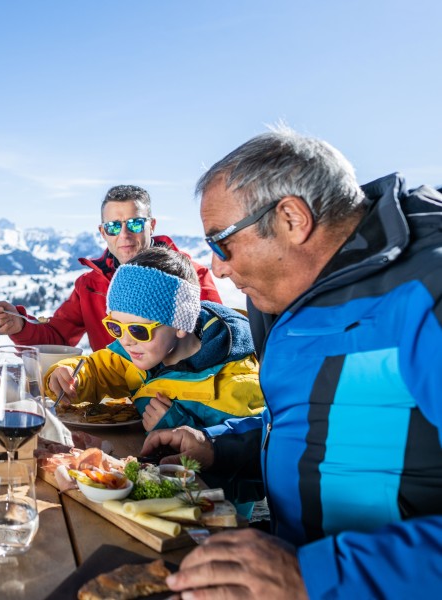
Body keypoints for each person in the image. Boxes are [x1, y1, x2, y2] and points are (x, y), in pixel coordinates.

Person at [141, 128, 442, 599]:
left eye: (221, 244)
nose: (216, 268)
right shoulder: (286, 297)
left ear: (291, 218)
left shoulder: (428, 292)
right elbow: (310, 421)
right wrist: (219, 447)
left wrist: (316, 576)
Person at [45, 247, 263, 433]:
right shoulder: (139, 351)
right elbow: (100, 368)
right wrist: (70, 373)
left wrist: (180, 428)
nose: (126, 341)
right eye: (116, 327)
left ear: (180, 325)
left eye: (139, 330)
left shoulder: (236, 386)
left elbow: (253, 445)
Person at [0, 184, 222, 351]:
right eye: (113, 226)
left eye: (134, 223)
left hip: (173, 401)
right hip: (112, 400)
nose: (124, 235)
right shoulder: (90, 285)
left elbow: (217, 341)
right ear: (102, 232)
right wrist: (20, 327)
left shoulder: (191, 277)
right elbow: (59, 337)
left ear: (151, 226)